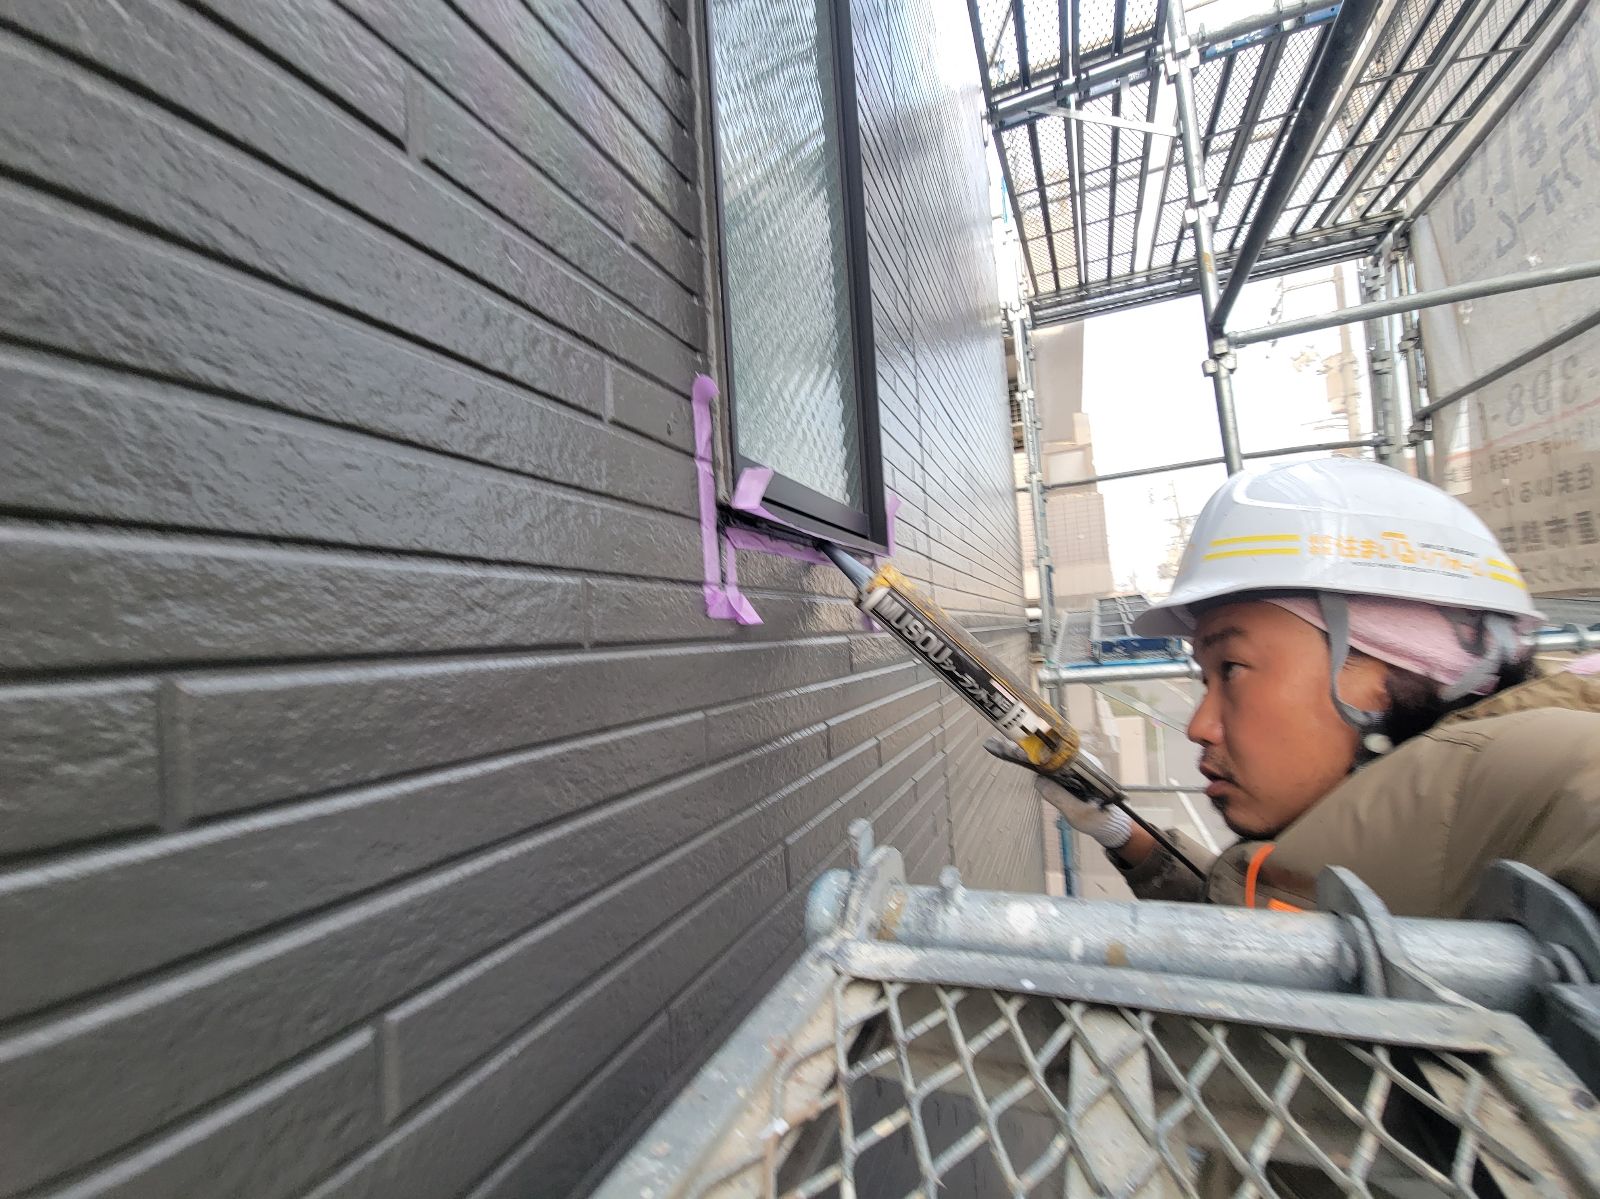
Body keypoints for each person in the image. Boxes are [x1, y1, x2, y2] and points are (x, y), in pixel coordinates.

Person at [1000, 457, 1600, 918]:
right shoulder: (1412, 828)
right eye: (1205, 680)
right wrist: (1124, 836)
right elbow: (1257, 929)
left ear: (1392, 664)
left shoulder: (1543, 764)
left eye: (1231, 669)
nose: (1199, 725)